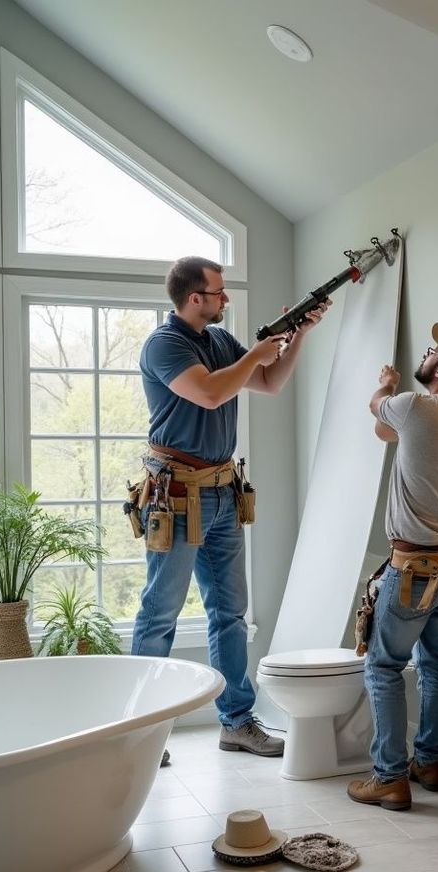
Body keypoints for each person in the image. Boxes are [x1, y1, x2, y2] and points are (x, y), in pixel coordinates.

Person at [132, 256, 328, 760]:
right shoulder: (165, 344)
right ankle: (140, 732)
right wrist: (257, 353)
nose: (226, 300)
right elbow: (213, 393)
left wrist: (297, 336)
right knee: (160, 614)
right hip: (176, 495)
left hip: (221, 491)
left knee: (230, 614)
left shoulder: (220, 341)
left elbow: (269, 382)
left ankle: (236, 721)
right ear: (194, 298)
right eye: (218, 293)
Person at [347, 322, 438, 810]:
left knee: (384, 666)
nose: (428, 352)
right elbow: (387, 432)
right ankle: (429, 761)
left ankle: (389, 776)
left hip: (413, 572)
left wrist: (385, 385)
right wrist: (393, 402)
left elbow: (376, 410)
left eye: (435, 351)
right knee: (436, 663)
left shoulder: (415, 405)